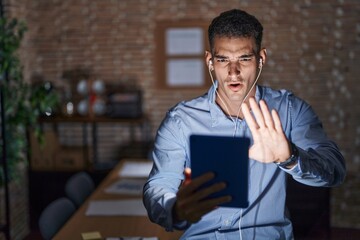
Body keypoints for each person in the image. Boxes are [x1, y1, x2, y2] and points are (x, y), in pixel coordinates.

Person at [143, 9, 346, 240]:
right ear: (210, 61)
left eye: (244, 59)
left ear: (261, 59)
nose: (233, 72)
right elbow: (158, 186)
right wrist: (175, 209)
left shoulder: (290, 110)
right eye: (222, 60)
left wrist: (290, 157)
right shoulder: (181, 121)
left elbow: (335, 171)